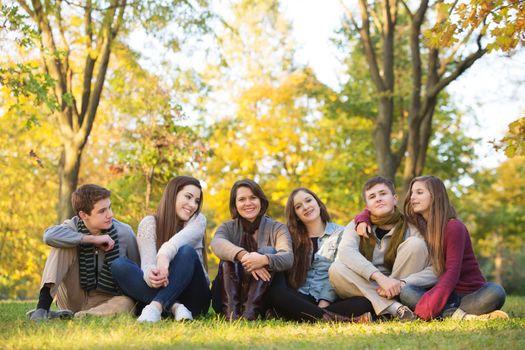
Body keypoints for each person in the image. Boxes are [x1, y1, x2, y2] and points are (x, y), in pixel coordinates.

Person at [399, 175, 508, 320]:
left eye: (419, 192)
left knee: (496, 291)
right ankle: (459, 316)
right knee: (407, 291)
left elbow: (452, 272)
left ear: (435, 196)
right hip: (442, 293)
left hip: (469, 294)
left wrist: (431, 305)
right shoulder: (419, 227)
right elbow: (388, 215)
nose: (412, 197)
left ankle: (444, 314)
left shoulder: (454, 227)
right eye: (412, 193)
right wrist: (364, 218)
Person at [328, 176, 437, 320]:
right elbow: (346, 252)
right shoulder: (356, 225)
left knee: (415, 244)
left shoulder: (413, 227)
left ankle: (389, 306)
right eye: (372, 196)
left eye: (383, 194)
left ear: (395, 199)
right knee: (336, 269)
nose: (378, 199)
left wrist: (400, 283)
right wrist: (380, 279)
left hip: (400, 286)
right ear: (367, 206)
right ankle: (395, 308)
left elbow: (435, 269)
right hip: (366, 282)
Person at [28, 184, 140, 321]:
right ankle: (42, 309)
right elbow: (49, 236)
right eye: (102, 211)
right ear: (83, 215)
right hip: (73, 296)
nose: (110, 214)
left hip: (106, 301)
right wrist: (91, 239)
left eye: (109, 207)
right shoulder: (72, 226)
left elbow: (136, 271)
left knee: (127, 303)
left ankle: (80, 316)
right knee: (62, 244)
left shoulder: (124, 232)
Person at [111, 176, 211, 323]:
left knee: (186, 251)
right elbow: (147, 265)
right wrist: (151, 275)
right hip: (160, 291)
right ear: (173, 194)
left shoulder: (198, 220)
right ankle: (176, 308)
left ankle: (156, 307)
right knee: (119, 265)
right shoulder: (149, 224)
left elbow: (174, 245)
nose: (193, 205)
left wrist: (163, 257)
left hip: (194, 299)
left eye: (196, 201)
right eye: (188, 197)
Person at [268, 188, 373, 322]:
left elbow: (340, 269)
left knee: (364, 303)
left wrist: (324, 302)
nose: (306, 207)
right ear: (296, 215)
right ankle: (335, 318)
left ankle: (305, 315)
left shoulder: (341, 232)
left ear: (318, 203)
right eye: (298, 207)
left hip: (330, 300)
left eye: (308, 200)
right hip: (299, 296)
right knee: (277, 291)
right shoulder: (290, 237)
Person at [210, 179, 293, 320]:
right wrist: (244, 256)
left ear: (261, 201)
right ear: (235, 205)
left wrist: (263, 259)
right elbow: (216, 243)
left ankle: (250, 313)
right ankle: (232, 315)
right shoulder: (227, 227)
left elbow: (288, 258)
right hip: (225, 298)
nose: (248, 203)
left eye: (253, 198)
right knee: (228, 257)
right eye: (242, 199)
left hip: (263, 300)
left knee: (269, 251)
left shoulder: (278, 228)